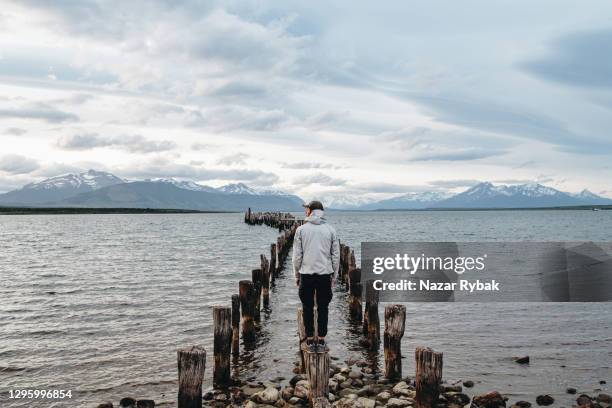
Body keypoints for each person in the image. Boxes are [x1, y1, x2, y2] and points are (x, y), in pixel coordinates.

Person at [292, 200, 340, 352]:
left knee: (307, 307)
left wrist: (296, 274)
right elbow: (336, 256)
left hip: (306, 274)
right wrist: (335, 276)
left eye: (306, 209)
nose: (305, 211)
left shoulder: (301, 230)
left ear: (311, 211)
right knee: (323, 307)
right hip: (324, 274)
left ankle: (310, 339)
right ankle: (321, 340)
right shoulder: (331, 230)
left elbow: (296, 256)